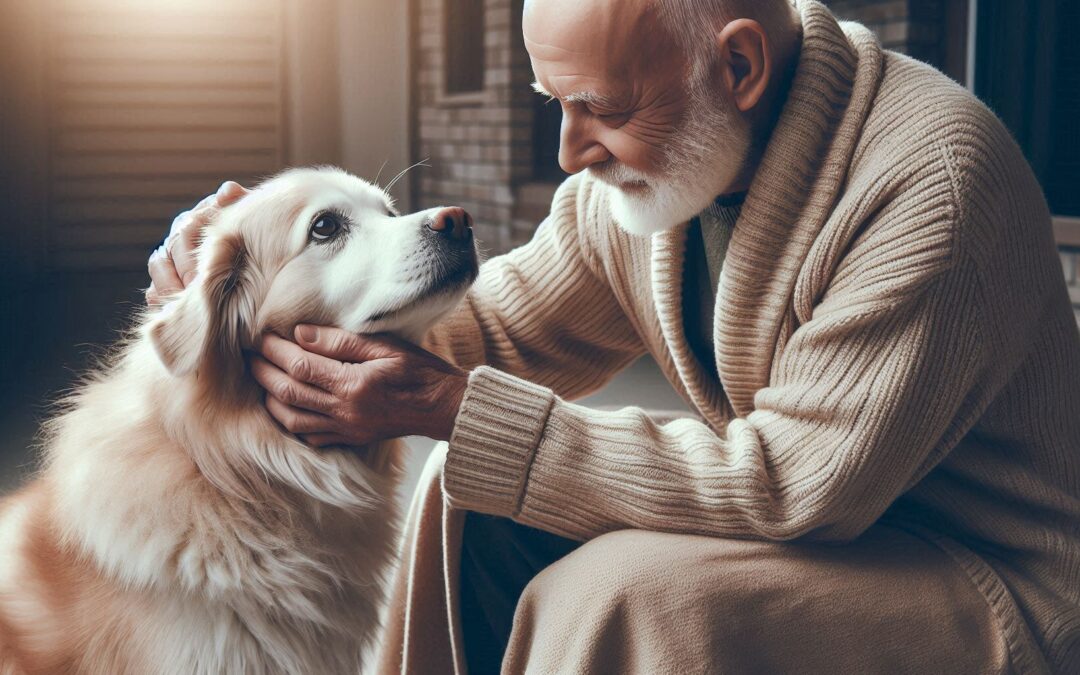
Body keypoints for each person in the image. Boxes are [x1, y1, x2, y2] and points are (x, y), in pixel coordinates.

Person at [148, 0, 1080, 672]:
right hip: (845, 522)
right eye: (555, 101)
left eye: (602, 106)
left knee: (624, 594)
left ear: (740, 68)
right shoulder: (656, 175)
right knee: (472, 502)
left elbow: (795, 484)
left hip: (986, 576)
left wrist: (448, 406)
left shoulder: (933, 187)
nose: (570, 151)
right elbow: (502, 329)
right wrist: (267, 292)